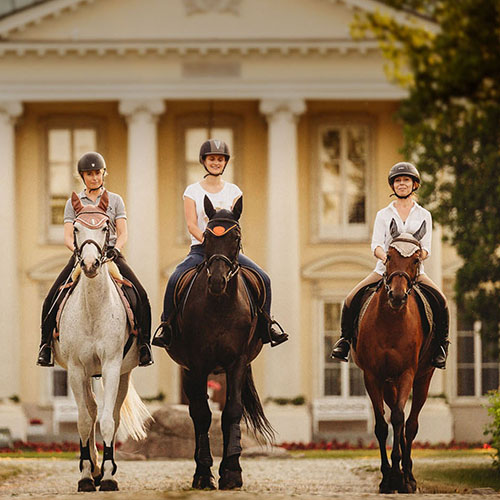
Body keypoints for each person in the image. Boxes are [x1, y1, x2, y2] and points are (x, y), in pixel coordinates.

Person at [153, 139, 288, 348]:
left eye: (220, 159)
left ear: (225, 163)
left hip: (228, 252)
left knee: (264, 278)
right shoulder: (192, 191)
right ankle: (166, 327)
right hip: (201, 250)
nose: (216, 162)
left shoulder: (234, 191)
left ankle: (266, 324)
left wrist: (223, 246)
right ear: (204, 161)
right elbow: (191, 224)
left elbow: (234, 224)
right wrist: (207, 243)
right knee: (174, 278)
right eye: (211, 159)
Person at [36, 152, 153, 368]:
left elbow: (123, 232)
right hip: (82, 256)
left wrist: (116, 250)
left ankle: (144, 345)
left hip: (110, 255)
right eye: (89, 174)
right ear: (82, 176)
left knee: (140, 293)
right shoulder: (74, 202)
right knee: (52, 296)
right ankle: (45, 346)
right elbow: (68, 237)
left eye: (97, 173)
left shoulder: (115, 200)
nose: (94, 178)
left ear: (103, 174)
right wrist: (79, 252)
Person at [330, 161, 449, 369]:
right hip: (385, 270)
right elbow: (376, 244)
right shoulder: (383, 215)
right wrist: (386, 259)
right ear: (393, 186)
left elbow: (427, 248)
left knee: (442, 301)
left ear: (414, 185)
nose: (402, 184)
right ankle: (344, 341)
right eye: (398, 181)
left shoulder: (424, 215)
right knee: (350, 299)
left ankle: (440, 346)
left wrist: (416, 256)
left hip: (414, 271)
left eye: (406, 180)